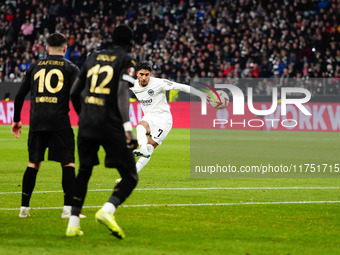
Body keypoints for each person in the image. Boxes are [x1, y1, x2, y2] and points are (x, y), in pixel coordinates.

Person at [65, 25, 138, 239]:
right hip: (111, 124)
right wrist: (127, 128)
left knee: (84, 171)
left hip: (87, 123)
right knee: (130, 176)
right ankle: (107, 210)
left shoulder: (93, 57)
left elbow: (74, 92)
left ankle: (73, 223)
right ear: (130, 42)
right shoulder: (127, 60)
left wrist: (84, 115)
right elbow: (123, 92)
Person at [11, 33, 80, 219]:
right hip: (59, 121)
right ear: (65, 49)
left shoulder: (34, 66)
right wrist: (82, 116)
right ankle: (68, 210)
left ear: (46, 48)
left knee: (33, 163)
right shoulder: (71, 67)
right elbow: (76, 96)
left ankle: (23, 209)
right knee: (68, 162)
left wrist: (16, 120)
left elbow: (18, 96)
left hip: (37, 121)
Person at [116, 61, 205, 181]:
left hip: (163, 119)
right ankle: (139, 154)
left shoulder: (159, 83)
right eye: (141, 74)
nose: (144, 77)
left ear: (150, 74)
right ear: (137, 74)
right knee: (140, 127)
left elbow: (182, 87)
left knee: (150, 148)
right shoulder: (133, 84)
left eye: (147, 74)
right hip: (149, 116)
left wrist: (201, 94)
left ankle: (135, 166)